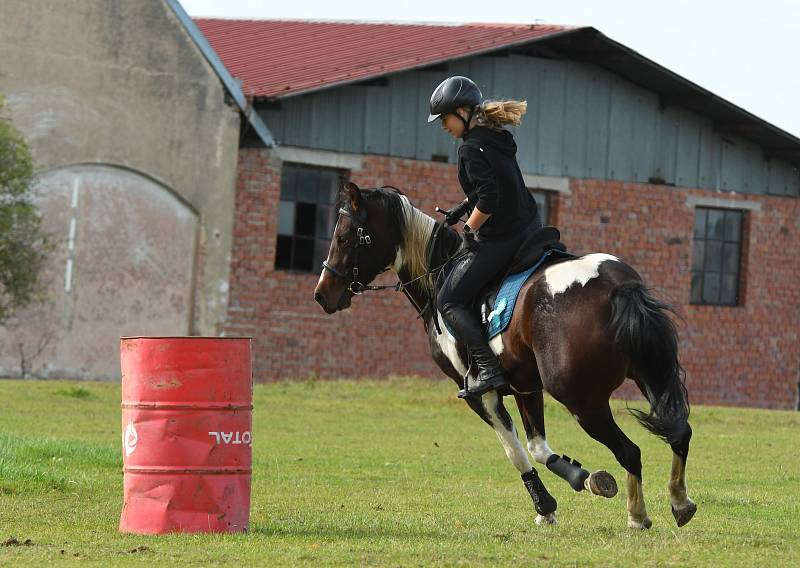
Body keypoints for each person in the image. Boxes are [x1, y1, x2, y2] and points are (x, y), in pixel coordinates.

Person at [428, 75, 542, 396]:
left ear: (463, 111)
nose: (443, 127)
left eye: (445, 118)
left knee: (448, 299)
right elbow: (493, 186)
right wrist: (463, 206)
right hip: (530, 227)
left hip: (503, 237)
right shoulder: (495, 137)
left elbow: (489, 199)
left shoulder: (468, 149)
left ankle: (488, 369)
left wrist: (468, 229)